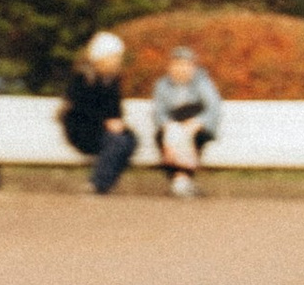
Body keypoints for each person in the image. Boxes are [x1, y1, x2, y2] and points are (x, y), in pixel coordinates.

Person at [60, 32, 137, 195]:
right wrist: (105, 122)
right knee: (117, 141)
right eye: (115, 57)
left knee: (130, 139)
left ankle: (103, 183)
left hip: (104, 131)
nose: (118, 61)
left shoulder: (113, 80)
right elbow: (79, 110)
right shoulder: (82, 78)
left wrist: (117, 122)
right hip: (82, 130)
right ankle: (96, 183)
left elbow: (116, 110)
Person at [148, 45, 223, 195]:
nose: (181, 69)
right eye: (177, 64)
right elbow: (159, 112)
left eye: (186, 65)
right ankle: (182, 182)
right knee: (165, 137)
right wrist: (169, 126)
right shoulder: (162, 85)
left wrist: (197, 122)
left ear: (193, 67)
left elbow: (213, 107)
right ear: (170, 66)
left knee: (195, 137)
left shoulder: (202, 82)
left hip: (197, 126)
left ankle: (179, 181)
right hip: (172, 125)